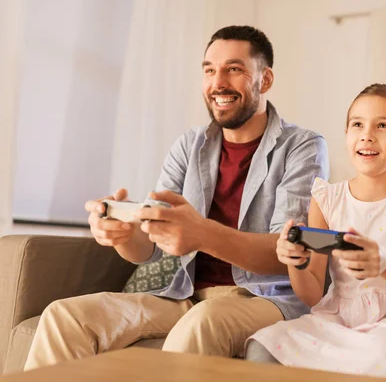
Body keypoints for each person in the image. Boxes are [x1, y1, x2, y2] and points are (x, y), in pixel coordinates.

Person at [24, 25, 329, 370]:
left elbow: (285, 255)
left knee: (201, 323)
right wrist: (124, 234)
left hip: (264, 298)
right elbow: (150, 248)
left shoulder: (303, 146)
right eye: (209, 70)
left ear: (265, 79)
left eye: (234, 69)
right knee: (65, 316)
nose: (218, 83)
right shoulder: (189, 145)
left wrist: (202, 234)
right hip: (183, 294)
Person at [245, 83, 386, 380]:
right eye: (357, 124)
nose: (367, 134)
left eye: (382, 125)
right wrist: (296, 263)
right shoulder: (326, 199)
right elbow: (313, 294)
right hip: (337, 321)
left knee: (384, 352)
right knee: (263, 346)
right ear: (347, 134)